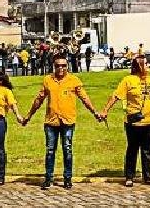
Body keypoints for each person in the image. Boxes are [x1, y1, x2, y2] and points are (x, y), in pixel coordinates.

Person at [22, 52, 105, 190]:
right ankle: (48, 178)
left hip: (68, 121)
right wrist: (29, 115)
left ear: (68, 66)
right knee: (50, 151)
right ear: (53, 66)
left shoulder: (74, 80)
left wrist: (94, 112)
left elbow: (84, 98)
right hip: (51, 122)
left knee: (67, 149)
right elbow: (39, 99)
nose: (61, 68)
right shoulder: (48, 80)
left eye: (64, 66)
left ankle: (67, 178)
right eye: (58, 66)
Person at [102, 55, 150, 187]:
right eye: (145, 64)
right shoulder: (128, 80)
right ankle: (129, 176)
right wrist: (105, 110)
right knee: (132, 149)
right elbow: (116, 96)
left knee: (148, 150)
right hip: (134, 122)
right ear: (139, 66)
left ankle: (148, 177)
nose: (148, 66)